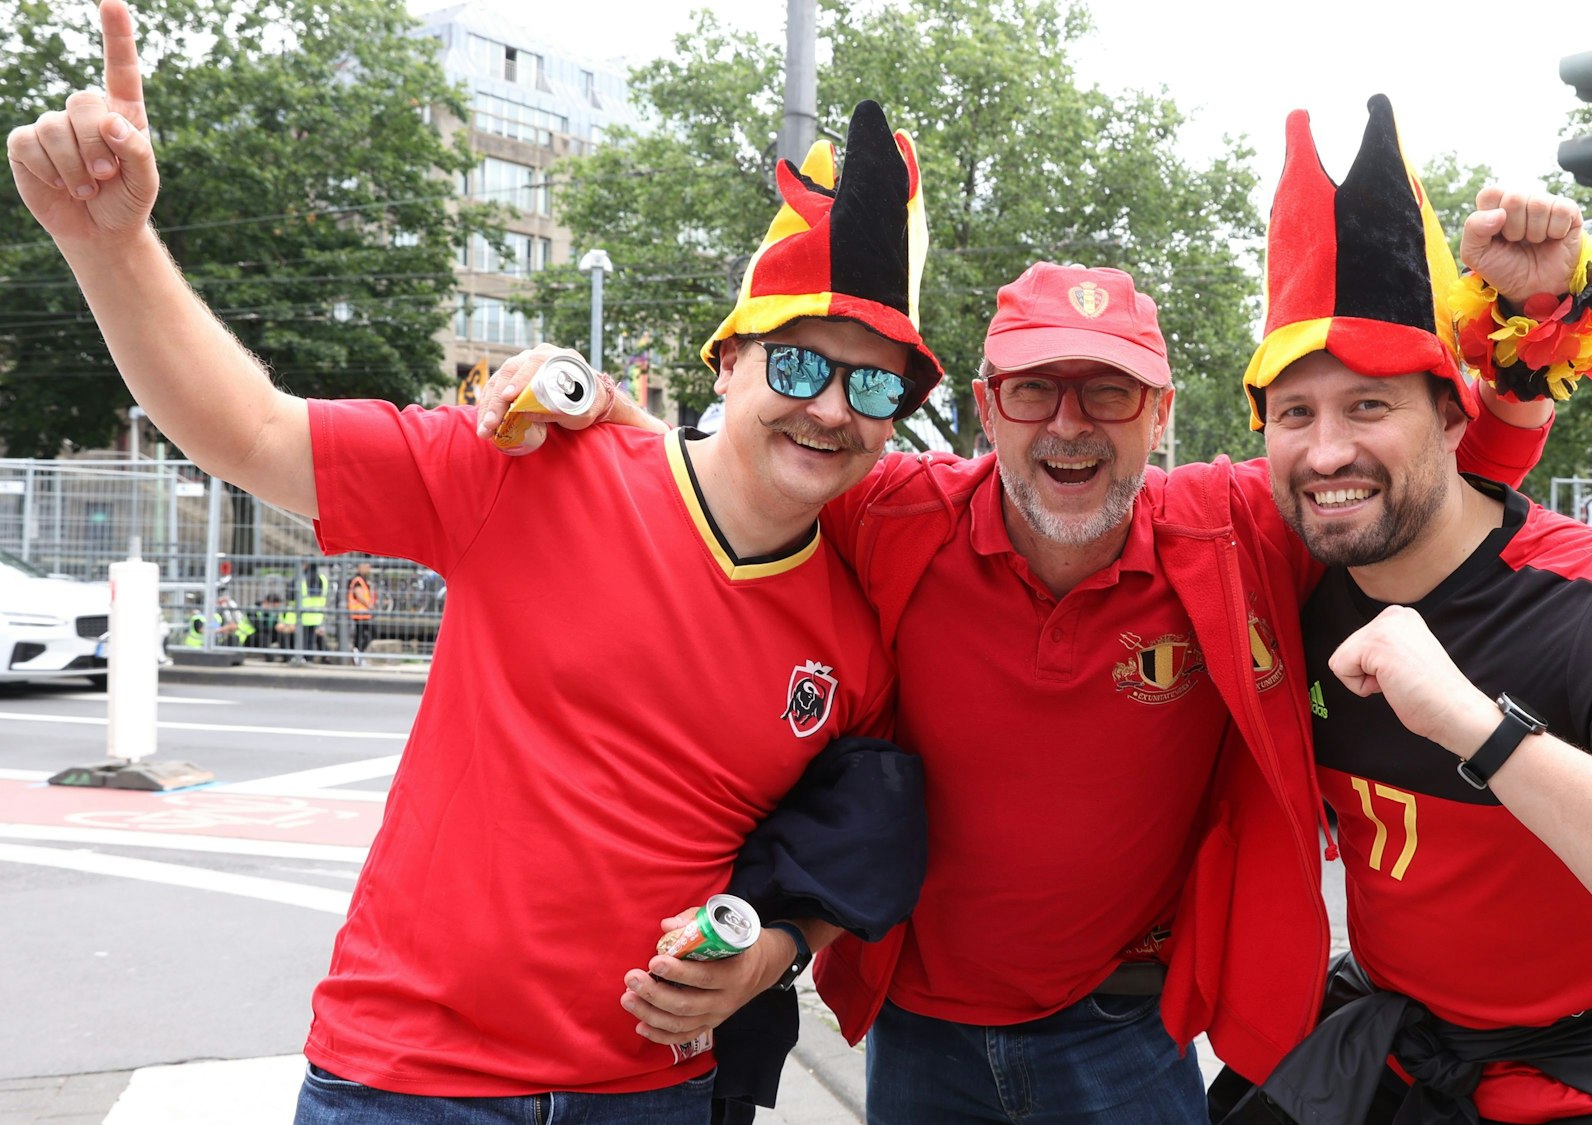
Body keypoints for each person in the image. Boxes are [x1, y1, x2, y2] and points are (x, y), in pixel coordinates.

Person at [490, 97, 1592, 1122]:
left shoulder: (1232, 529)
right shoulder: (892, 513)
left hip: (1125, 1033)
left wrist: (1539, 320)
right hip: (918, 1033)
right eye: (1034, 390)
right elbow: (746, 466)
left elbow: (1430, 492)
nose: (1069, 425)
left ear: (1159, 414)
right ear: (987, 408)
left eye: (1107, 391)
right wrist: (593, 409)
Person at [8, 8, 933, 1118]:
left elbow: (841, 847)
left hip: (653, 1094)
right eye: (798, 363)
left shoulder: (853, 637)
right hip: (409, 1084)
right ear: (728, 360)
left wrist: (770, 954)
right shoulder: (527, 468)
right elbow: (253, 433)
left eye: (873, 384)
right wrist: (109, 248)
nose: (830, 407)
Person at [1211, 103, 1592, 1124]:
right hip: (1391, 1055)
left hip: (1584, 1076)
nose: (1325, 451)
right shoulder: (1290, 578)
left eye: (1367, 405)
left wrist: (1478, 730)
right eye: (1294, 413)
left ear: (1452, 416)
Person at [345, 560, 376, 656]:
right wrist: (369, 605)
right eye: (367, 567)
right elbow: (358, 594)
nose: (369, 569)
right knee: (367, 633)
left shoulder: (363, 580)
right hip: (359, 612)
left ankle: (358, 652)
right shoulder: (358, 580)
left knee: (362, 634)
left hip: (364, 613)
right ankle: (358, 652)